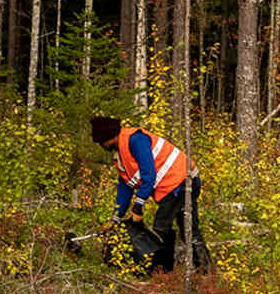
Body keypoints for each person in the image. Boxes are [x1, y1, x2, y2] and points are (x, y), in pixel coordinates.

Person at [89, 116, 211, 273]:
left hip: (181, 182)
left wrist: (138, 206)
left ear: (108, 138)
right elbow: (125, 190)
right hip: (174, 185)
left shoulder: (136, 140)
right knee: (187, 227)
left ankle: (167, 270)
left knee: (162, 226)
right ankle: (203, 269)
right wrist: (115, 218)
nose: (101, 146)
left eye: (101, 142)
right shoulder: (120, 155)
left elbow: (149, 174)